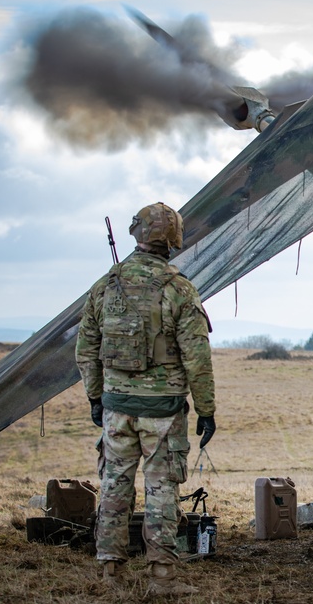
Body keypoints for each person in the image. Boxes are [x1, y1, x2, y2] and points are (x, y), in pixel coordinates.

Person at [76, 202, 216, 596]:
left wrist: (95, 398)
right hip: (163, 413)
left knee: (114, 486)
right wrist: (206, 410)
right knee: (161, 491)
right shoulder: (178, 288)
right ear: (173, 238)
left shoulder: (106, 285)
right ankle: (161, 578)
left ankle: (109, 572)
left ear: (137, 234)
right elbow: (197, 358)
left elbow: (86, 348)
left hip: (116, 409)